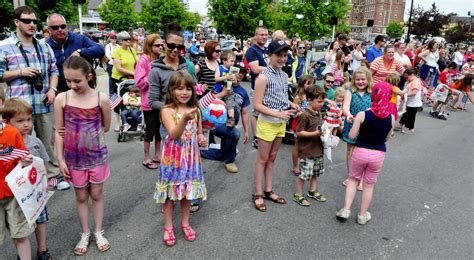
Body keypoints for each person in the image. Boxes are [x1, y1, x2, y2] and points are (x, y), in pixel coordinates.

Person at [54, 56, 112, 255]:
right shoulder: (62, 99)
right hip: (73, 159)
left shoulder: (101, 98)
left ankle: (98, 231)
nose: (72, 85)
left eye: (77, 80)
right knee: (80, 195)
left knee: (96, 194)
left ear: (89, 76)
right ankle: (85, 233)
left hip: (96, 156)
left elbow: (106, 126)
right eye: (68, 81)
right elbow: (59, 131)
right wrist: (60, 159)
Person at [0, 6, 62, 175]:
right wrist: (21, 72)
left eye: (35, 21)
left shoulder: (44, 46)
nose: (32, 24)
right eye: (27, 21)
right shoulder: (4, 46)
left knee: (47, 143)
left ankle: (52, 175)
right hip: (18, 108)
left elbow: (54, 72)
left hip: (44, 102)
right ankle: (21, 177)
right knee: (19, 143)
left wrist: (52, 90)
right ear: (16, 22)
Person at [154, 71, 208, 246]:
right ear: (171, 90)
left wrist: (201, 138)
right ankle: (168, 227)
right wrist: (184, 119)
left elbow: (199, 133)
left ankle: (185, 223)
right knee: (170, 195)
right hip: (173, 159)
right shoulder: (166, 111)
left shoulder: (196, 110)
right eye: (179, 89)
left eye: (188, 89)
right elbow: (174, 134)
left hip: (191, 159)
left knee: (187, 193)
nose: (184, 93)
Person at [2, 98, 55, 259]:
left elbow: (43, 165)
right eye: (20, 121)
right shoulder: (7, 141)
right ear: (7, 122)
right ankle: (22, 253)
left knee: (38, 220)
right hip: (18, 193)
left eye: (28, 120)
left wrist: (45, 183)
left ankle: (42, 249)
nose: (26, 124)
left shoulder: (35, 142)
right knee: (18, 229)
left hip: (34, 191)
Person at [336, 82, 395, 225]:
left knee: (353, 180)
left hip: (361, 151)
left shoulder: (363, 114)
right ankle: (362, 215)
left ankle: (346, 209)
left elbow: (351, 135)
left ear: (373, 95)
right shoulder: (391, 117)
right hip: (378, 153)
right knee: (369, 185)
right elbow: (388, 137)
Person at [252, 40, 299, 212]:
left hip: (280, 123)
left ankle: (268, 190)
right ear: (269, 55)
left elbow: (279, 96)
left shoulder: (284, 75)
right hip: (268, 123)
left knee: (272, 157)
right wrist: (278, 113)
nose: (282, 58)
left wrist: (290, 104)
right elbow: (257, 105)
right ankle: (257, 193)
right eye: (278, 55)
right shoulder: (263, 76)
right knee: (262, 159)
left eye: (285, 55)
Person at [201, 67, 250, 173]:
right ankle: (229, 161)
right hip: (215, 123)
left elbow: (245, 113)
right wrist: (224, 92)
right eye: (237, 72)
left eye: (242, 73)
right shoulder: (221, 86)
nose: (239, 75)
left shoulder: (243, 92)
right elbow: (207, 102)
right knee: (235, 134)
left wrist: (246, 131)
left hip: (230, 124)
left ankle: (201, 152)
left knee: (227, 145)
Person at [0, 117, 34, 260]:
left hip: (13, 193)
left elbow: (22, 158)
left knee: (20, 234)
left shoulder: (11, 132)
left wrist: (25, 161)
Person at [46, 13, 105, 93]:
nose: (60, 29)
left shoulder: (80, 39)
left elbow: (100, 50)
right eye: (55, 27)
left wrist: (80, 52)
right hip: (60, 92)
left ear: (66, 27)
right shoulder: (45, 46)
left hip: (83, 91)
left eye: (63, 26)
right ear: (49, 30)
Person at [292, 86, 327, 207]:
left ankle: (312, 191)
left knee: (315, 173)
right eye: (319, 101)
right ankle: (298, 194)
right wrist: (315, 134)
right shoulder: (304, 115)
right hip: (307, 151)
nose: (322, 104)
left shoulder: (318, 113)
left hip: (318, 149)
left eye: (323, 101)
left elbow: (319, 128)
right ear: (309, 100)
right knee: (303, 175)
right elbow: (299, 132)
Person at [135, 34, 164, 169]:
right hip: (148, 102)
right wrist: (153, 74)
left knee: (159, 130)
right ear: (149, 46)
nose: (160, 47)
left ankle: (158, 155)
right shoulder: (144, 60)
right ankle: (146, 158)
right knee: (150, 130)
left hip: (161, 101)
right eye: (157, 45)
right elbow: (139, 82)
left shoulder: (160, 59)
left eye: (161, 45)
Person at [341, 68, 373, 190]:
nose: (360, 82)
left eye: (363, 79)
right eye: (358, 79)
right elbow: (345, 107)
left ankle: (362, 178)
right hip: (351, 124)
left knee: (364, 153)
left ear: (368, 80)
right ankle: (351, 176)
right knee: (351, 152)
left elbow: (375, 107)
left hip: (367, 126)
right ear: (354, 80)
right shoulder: (350, 91)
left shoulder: (371, 92)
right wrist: (348, 115)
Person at [245, 26, 269, 148]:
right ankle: (256, 137)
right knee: (256, 113)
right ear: (255, 36)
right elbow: (255, 69)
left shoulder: (267, 50)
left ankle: (264, 135)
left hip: (269, 87)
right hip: (257, 87)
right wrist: (273, 69)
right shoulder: (252, 51)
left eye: (266, 34)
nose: (264, 37)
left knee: (266, 112)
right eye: (261, 34)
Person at [111, 31, 138, 131]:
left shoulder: (131, 50)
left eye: (129, 39)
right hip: (118, 78)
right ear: (121, 41)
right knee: (117, 100)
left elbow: (137, 63)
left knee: (132, 98)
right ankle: (117, 122)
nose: (128, 41)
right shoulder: (117, 51)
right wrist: (133, 73)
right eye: (126, 39)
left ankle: (132, 121)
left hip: (131, 79)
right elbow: (119, 68)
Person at [291, 75, 315, 176]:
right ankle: (295, 166)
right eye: (308, 83)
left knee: (307, 145)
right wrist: (298, 113)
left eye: (312, 83)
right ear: (302, 84)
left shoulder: (312, 97)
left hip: (309, 124)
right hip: (299, 123)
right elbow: (292, 112)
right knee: (297, 145)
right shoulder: (298, 97)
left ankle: (305, 164)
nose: (311, 86)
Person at [214, 50, 237, 127]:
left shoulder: (232, 70)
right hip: (219, 92)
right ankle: (216, 119)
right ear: (224, 61)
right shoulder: (219, 68)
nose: (233, 63)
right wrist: (226, 77)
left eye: (234, 61)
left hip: (229, 91)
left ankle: (231, 119)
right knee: (218, 106)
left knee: (230, 105)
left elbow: (235, 82)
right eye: (231, 61)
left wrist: (234, 80)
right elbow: (216, 79)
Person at [398, 68, 423, 133]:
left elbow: (414, 92)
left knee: (410, 116)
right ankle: (401, 124)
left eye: (407, 77)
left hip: (414, 103)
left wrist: (404, 95)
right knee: (405, 113)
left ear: (412, 75)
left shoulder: (415, 82)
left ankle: (410, 128)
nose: (406, 79)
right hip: (410, 102)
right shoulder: (412, 81)